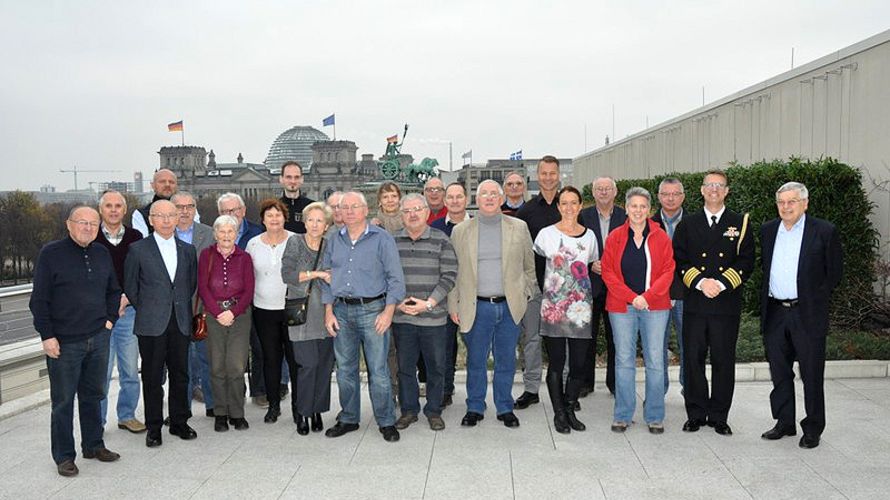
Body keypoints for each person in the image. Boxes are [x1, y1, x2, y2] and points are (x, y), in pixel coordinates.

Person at [30, 206, 121, 477]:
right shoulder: (51, 254)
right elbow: (39, 300)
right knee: (63, 402)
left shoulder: (101, 253)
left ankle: (93, 445)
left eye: (93, 223)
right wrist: (47, 335)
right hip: (65, 342)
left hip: (98, 337)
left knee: (94, 395)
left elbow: (113, 291)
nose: (88, 228)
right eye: (82, 222)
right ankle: (64, 456)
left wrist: (108, 322)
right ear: (69, 225)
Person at [759, 182, 842, 449]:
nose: (786, 207)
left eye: (792, 201)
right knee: (780, 372)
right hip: (775, 312)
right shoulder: (768, 230)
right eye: (781, 202)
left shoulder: (825, 231)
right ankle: (785, 422)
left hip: (807, 314)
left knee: (811, 373)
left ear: (805, 203)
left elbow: (835, 273)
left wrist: (813, 297)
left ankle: (813, 427)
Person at [449, 180, 537, 428]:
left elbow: (529, 267)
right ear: (477, 199)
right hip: (477, 307)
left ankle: (505, 407)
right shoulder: (461, 231)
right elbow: (454, 273)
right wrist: (453, 306)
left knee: (506, 359)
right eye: (483, 194)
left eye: (493, 194)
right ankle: (475, 406)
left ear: (501, 199)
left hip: (509, 307)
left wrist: (525, 293)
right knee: (476, 360)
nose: (488, 197)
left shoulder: (518, 228)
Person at [673, 169, 754, 436]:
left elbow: (746, 261)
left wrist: (719, 283)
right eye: (710, 185)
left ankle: (719, 415)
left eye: (720, 185)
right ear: (701, 190)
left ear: (727, 190)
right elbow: (680, 260)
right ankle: (695, 413)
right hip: (696, 303)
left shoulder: (739, 222)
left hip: (725, 304)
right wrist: (701, 283)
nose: (714, 190)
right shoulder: (688, 224)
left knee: (723, 361)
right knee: (693, 360)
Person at [322, 191, 406, 442]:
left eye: (353, 207)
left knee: (378, 371)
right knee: (345, 369)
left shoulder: (382, 239)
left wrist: (388, 311)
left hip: (373, 311)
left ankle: (386, 420)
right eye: (343, 207)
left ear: (365, 210)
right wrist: (328, 311)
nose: (348, 211)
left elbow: (395, 279)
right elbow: (327, 277)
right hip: (341, 312)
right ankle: (349, 417)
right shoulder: (334, 239)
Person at [124, 200, 198, 447]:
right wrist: (150, 307)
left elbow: (191, 285)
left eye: (171, 216)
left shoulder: (187, 250)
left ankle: (179, 422)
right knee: (153, 378)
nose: (166, 221)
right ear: (151, 220)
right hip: (151, 323)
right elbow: (131, 287)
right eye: (160, 216)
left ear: (178, 218)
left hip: (180, 321)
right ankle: (154, 427)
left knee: (181, 375)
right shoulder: (137, 250)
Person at [601, 187, 675, 434]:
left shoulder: (661, 236)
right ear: (626, 207)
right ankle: (622, 414)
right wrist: (633, 298)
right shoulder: (615, 237)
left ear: (649, 210)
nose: (638, 211)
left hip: (655, 306)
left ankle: (654, 415)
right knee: (623, 361)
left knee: (655, 361)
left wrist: (647, 297)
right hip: (622, 307)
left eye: (643, 206)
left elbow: (668, 271)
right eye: (634, 206)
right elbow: (609, 273)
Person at [533, 186, 598, 434]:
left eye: (574, 203)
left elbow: (590, 265)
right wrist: (550, 296)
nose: (569, 207)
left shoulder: (590, 237)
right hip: (554, 309)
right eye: (564, 203)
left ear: (580, 205)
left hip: (581, 308)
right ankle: (559, 413)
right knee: (557, 363)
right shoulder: (545, 235)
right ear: (558, 206)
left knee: (579, 363)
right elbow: (539, 269)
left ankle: (570, 407)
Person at [392, 194, 458, 431]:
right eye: (407, 210)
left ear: (427, 212)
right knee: (405, 367)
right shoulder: (391, 241)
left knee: (436, 367)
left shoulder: (441, 240)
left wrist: (428, 303)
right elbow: (384, 274)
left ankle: (434, 411)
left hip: (433, 317)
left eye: (417, 209)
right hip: (402, 317)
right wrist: (397, 303)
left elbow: (449, 275)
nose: (412, 214)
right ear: (401, 214)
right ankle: (409, 411)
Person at [93, 191, 145, 434]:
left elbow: (140, 275)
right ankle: (98, 421)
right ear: (100, 209)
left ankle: (127, 415)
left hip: (129, 313)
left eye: (118, 206)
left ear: (124, 210)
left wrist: (126, 298)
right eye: (108, 206)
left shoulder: (135, 237)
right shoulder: (90, 236)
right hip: (99, 316)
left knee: (130, 371)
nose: (113, 210)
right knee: (100, 373)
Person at [281, 202, 335, 435]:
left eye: (319, 221)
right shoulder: (294, 242)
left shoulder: (330, 246)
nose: (314, 225)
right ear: (304, 222)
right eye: (311, 220)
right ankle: (302, 412)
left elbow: (335, 279)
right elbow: (288, 275)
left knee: (323, 366)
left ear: (326, 225)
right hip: (301, 314)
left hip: (325, 312)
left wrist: (330, 311)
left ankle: (317, 411)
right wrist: (317, 274)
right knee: (308, 365)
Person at [198, 215, 256, 432]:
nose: (226, 236)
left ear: (236, 234)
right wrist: (217, 312)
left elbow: (249, 291)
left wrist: (232, 312)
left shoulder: (244, 257)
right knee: (217, 366)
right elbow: (203, 288)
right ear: (215, 234)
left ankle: (237, 413)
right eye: (221, 232)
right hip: (214, 316)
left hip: (239, 316)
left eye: (230, 231)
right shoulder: (207, 255)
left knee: (236, 366)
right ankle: (220, 413)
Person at [513, 156, 562, 410]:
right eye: (544, 173)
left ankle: (562, 389)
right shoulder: (527, 211)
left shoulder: (569, 206)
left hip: (563, 291)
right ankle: (531, 388)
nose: (548, 178)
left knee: (561, 340)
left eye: (552, 173)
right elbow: (519, 250)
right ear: (537, 176)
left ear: (559, 175)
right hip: (534, 288)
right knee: (531, 339)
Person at [246, 199, 298, 425]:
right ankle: (274, 405)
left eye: (278, 215)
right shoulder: (253, 244)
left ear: (284, 217)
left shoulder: (296, 241)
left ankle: (299, 406)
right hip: (263, 310)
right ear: (263, 220)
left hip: (291, 309)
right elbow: (248, 276)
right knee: (270, 359)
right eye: (270, 215)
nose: (274, 219)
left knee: (295, 360)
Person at [216, 192, 267, 407]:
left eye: (235, 210)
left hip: (256, 299)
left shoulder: (258, 233)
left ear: (243, 211)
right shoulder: (217, 234)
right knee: (233, 351)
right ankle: (236, 392)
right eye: (226, 211)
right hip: (226, 304)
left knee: (259, 347)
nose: (231, 214)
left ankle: (260, 390)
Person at [579, 176, 627, 396]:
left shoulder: (625, 216)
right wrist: (590, 263)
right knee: (587, 337)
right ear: (594, 192)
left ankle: (615, 383)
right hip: (591, 285)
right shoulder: (584, 216)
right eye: (600, 189)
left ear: (615, 192)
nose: (604, 192)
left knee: (616, 337)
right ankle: (585, 383)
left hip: (618, 287)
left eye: (608, 188)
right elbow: (576, 246)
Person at [171, 192, 215, 418]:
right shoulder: (163, 235)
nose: (185, 211)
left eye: (190, 206)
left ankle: (212, 405)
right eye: (179, 207)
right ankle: (181, 409)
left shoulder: (208, 234)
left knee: (207, 359)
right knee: (180, 364)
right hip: (173, 310)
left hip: (203, 307)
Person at [430, 181, 470, 406]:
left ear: (466, 199)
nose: (455, 201)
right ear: (445, 202)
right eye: (451, 197)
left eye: (459, 197)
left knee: (474, 349)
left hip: (470, 296)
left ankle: (476, 394)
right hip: (443, 297)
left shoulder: (476, 226)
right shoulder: (435, 228)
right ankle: (445, 389)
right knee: (444, 348)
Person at [651, 177, 687, 394]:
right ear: (659, 197)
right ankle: (658, 392)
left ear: (682, 196)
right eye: (666, 194)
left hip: (685, 293)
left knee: (688, 345)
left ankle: (688, 389)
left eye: (675, 194)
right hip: (657, 295)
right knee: (656, 348)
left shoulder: (694, 223)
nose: (670, 198)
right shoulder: (647, 224)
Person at [132, 169, 198, 237]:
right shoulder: (140, 214)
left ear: (176, 186)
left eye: (171, 182)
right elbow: (142, 242)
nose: (167, 185)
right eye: (162, 182)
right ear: (153, 185)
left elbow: (196, 237)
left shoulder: (191, 210)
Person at [279, 161, 314, 233]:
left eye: (296, 177)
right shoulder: (274, 208)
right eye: (288, 177)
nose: (293, 181)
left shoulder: (312, 207)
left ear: (302, 179)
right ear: (281, 179)